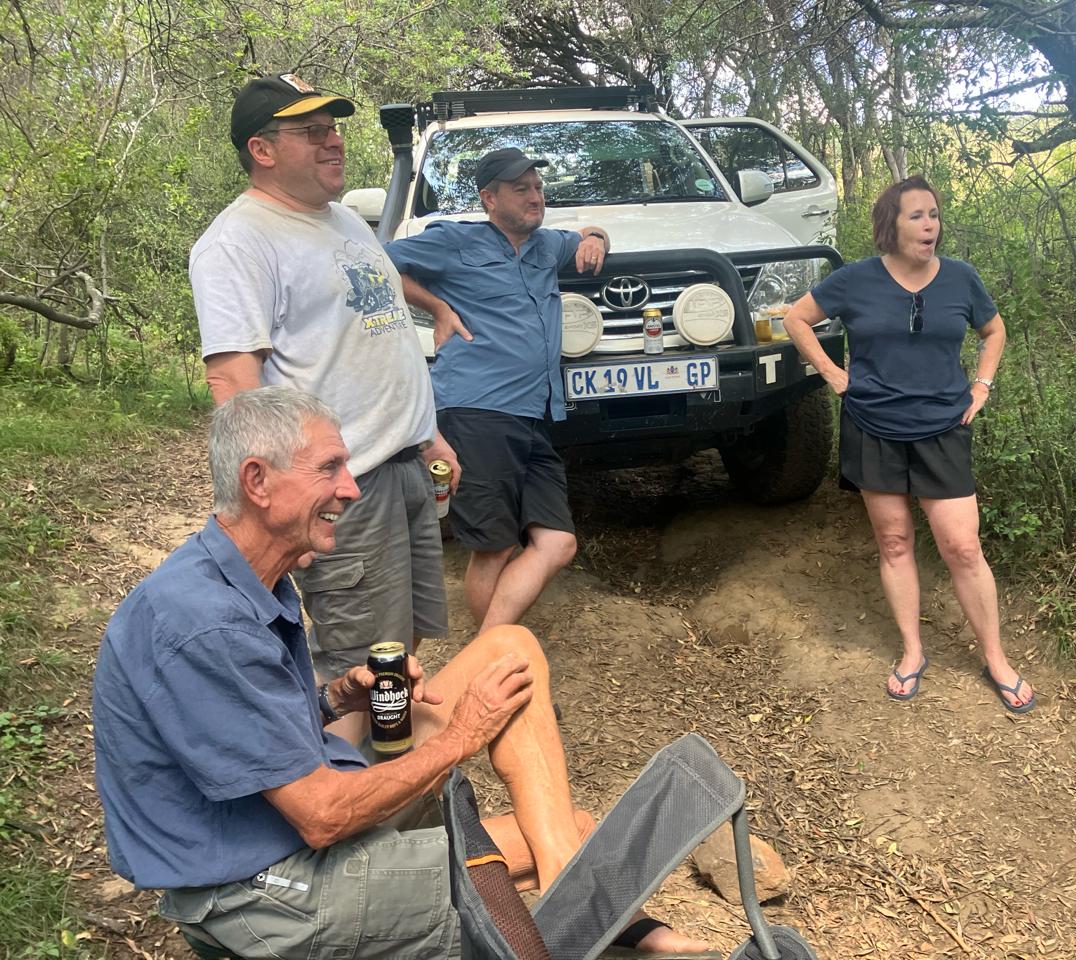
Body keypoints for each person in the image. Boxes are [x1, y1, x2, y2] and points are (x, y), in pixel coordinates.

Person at [91, 387, 710, 958]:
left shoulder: (242, 577)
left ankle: (572, 892)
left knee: (508, 648)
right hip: (257, 893)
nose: (351, 488)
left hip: (282, 823)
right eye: (330, 468)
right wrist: (461, 737)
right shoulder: (207, 623)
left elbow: (241, 730)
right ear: (258, 481)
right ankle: (580, 905)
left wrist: (336, 699)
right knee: (568, 834)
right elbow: (322, 816)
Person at [188, 73, 458, 705]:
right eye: (311, 132)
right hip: (342, 489)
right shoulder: (237, 242)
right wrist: (269, 510)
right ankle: (336, 768)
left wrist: (429, 437)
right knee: (358, 666)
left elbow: (375, 338)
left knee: (403, 647)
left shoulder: (343, 222)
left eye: (332, 128)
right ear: (261, 149)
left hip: (403, 468)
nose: (333, 141)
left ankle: (387, 762)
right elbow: (235, 383)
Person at [783, 175, 1036, 713]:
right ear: (891, 226)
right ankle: (912, 650)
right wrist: (831, 373)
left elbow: (994, 331)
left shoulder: (961, 278)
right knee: (894, 542)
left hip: (943, 426)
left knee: (962, 547)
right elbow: (795, 318)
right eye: (916, 216)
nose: (929, 226)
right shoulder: (855, 279)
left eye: (934, 215)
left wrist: (982, 385)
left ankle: (995, 658)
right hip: (873, 425)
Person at [385, 149, 610, 632]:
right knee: (494, 547)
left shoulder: (546, 246)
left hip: (533, 413)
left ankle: (489, 652)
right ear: (489, 198)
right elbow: (377, 263)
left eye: (538, 188)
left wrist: (595, 238)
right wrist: (437, 307)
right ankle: (494, 660)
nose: (535, 197)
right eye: (521, 189)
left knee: (558, 542)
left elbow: (591, 233)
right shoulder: (455, 241)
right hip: (475, 410)